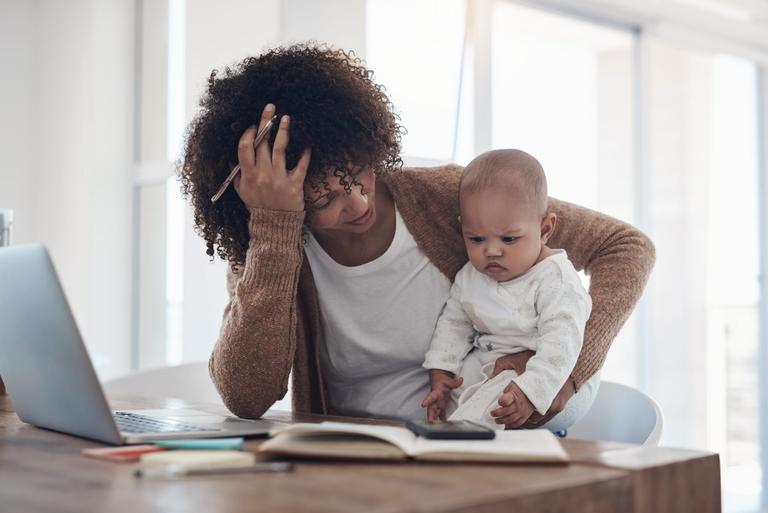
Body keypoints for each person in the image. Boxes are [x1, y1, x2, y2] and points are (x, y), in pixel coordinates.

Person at [179, 43, 655, 429]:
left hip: (469, 447)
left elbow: (626, 247)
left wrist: (565, 374)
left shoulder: (448, 198)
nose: (359, 204)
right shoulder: (270, 249)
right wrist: (271, 231)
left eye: (357, 175)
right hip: (352, 461)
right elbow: (246, 397)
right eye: (323, 202)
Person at [421, 149, 595, 432]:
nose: (491, 251)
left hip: (550, 370)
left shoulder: (555, 280)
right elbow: (454, 322)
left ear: (545, 228)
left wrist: (530, 392)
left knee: (495, 402)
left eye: (509, 238)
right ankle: (452, 431)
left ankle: (464, 445)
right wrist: (441, 371)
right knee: (459, 386)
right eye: (476, 239)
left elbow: (561, 345)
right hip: (492, 361)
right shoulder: (471, 275)